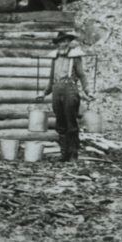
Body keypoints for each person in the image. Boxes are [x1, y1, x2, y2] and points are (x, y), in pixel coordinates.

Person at [36, 31, 93, 162]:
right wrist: (43, 93)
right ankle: (64, 154)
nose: (64, 44)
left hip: (70, 90)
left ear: (69, 42)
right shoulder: (55, 57)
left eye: (66, 41)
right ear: (58, 44)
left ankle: (73, 154)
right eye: (61, 42)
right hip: (57, 90)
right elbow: (51, 80)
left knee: (71, 122)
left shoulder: (75, 56)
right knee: (60, 123)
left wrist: (88, 91)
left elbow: (82, 75)